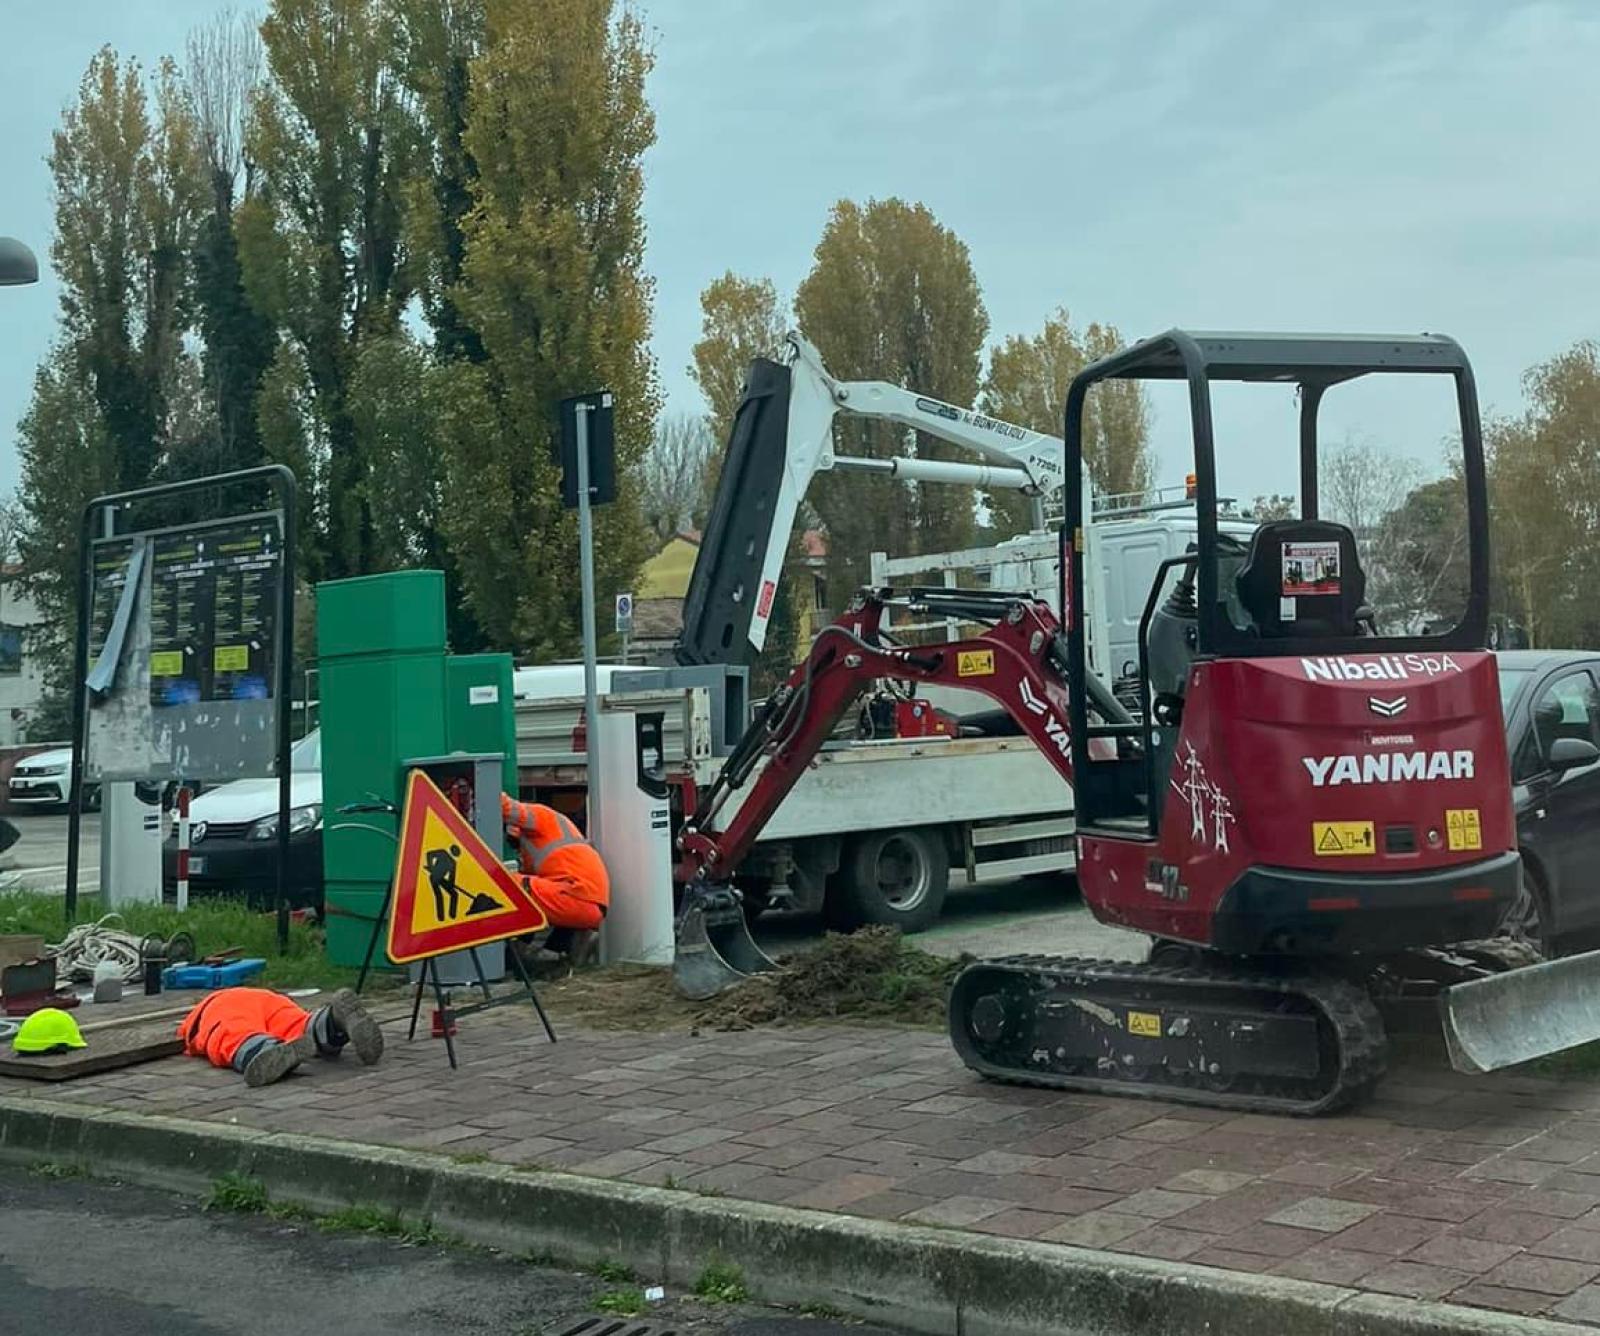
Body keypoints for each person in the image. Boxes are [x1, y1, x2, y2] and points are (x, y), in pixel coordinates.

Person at [176, 987, 384, 1087]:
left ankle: (265, 1049)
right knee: (301, 1026)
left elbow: (208, 1036)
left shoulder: (194, 1022)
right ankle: (332, 1022)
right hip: (269, 998)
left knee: (233, 1034)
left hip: (221, 1005)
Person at [501, 793, 610, 963]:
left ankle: (517, 955)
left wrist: (476, 792)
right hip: (588, 903)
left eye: (514, 843)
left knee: (504, 883)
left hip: (576, 894)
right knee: (528, 894)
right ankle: (557, 954)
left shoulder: (541, 816)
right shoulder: (553, 847)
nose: (517, 849)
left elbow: (504, 806)